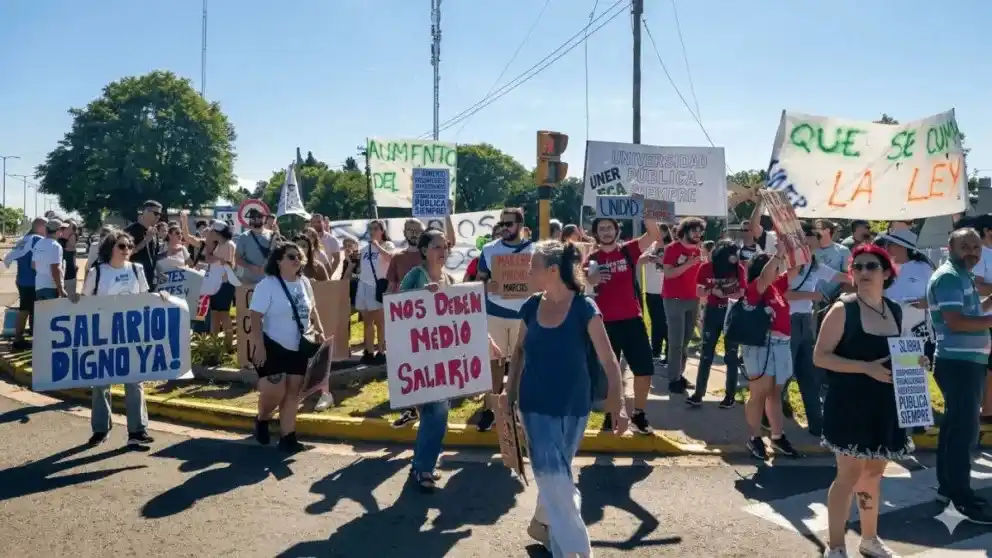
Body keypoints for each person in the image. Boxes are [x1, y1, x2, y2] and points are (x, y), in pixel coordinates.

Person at [507, 239, 626, 555]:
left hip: (574, 407)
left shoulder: (584, 308)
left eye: (534, 267)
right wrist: (508, 396)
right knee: (556, 479)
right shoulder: (531, 306)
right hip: (534, 407)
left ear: (553, 270)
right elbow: (518, 352)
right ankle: (574, 551)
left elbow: (608, 358)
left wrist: (620, 403)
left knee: (557, 474)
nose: (529, 273)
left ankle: (541, 524)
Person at [814, 243, 916, 557]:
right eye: (857, 267)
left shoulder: (895, 309)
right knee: (848, 476)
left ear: (887, 272)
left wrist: (914, 364)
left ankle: (869, 539)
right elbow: (820, 357)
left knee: (873, 474)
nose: (862, 272)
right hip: (849, 405)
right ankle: (836, 546)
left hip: (885, 406)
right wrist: (864, 368)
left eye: (870, 266)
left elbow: (898, 356)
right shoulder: (843, 309)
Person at [401, 229, 502, 490]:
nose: (442, 252)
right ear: (424, 250)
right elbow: (397, 311)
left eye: (445, 247)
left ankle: (422, 465)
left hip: (443, 360)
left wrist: (487, 340)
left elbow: (462, 316)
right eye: (436, 247)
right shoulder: (415, 276)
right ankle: (423, 468)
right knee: (436, 413)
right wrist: (422, 295)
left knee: (436, 415)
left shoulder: (449, 277)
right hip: (420, 359)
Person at [926, 227, 992, 524]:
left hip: (965, 363)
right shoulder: (950, 276)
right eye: (966, 246)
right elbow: (956, 322)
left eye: (977, 247)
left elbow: (973, 314)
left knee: (955, 431)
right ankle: (960, 497)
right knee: (963, 434)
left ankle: (948, 489)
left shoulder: (960, 275)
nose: (973, 252)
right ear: (950, 246)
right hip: (959, 363)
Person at [249, 241, 326, 453]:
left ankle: (288, 437)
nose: (297, 260)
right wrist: (258, 346)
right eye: (291, 257)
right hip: (273, 344)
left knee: (293, 392)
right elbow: (255, 317)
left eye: (299, 256)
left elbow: (312, 310)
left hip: (299, 346)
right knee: (275, 391)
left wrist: (319, 329)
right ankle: (262, 419)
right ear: (278, 261)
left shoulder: (304, 283)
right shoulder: (268, 285)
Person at [586, 215, 660, 433]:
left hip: (632, 319)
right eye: (602, 229)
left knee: (644, 369)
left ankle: (639, 414)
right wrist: (593, 280)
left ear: (617, 231)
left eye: (610, 228)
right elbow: (585, 283)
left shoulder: (629, 250)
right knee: (611, 372)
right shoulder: (591, 258)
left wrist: (648, 213)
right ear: (596, 233)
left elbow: (654, 235)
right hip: (604, 323)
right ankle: (612, 415)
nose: (606, 232)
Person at [81, 230, 156, 447]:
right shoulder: (98, 272)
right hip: (104, 334)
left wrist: (159, 298)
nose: (126, 251)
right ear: (110, 248)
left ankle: (137, 431)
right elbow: (86, 302)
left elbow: (144, 298)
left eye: (129, 246)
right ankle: (100, 429)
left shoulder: (137, 269)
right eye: (121, 246)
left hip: (131, 334)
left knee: (134, 382)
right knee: (101, 383)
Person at [781, 222, 850, 437]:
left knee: (808, 374)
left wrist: (866, 274)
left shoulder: (815, 264)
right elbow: (782, 294)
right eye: (813, 235)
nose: (818, 239)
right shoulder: (790, 263)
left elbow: (841, 277)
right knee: (785, 372)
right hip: (787, 321)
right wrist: (813, 296)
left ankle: (816, 424)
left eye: (819, 235)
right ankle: (772, 413)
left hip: (806, 322)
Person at [742, 240, 803, 460]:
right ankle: (754, 437)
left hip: (781, 345)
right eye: (775, 267)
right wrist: (778, 254)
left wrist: (796, 246)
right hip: (762, 346)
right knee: (758, 393)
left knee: (775, 393)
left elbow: (797, 268)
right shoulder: (755, 289)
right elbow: (766, 277)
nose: (779, 270)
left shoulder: (777, 286)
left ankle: (777, 436)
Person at [476, 208, 535, 432]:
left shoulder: (534, 249)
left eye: (509, 224)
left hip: (525, 315)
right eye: (501, 224)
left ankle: (517, 409)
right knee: (495, 364)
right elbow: (480, 281)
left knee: (521, 364)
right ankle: (490, 409)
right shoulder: (489, 250)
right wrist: (487, 286)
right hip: (495, 313)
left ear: (520, 225)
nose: (504, 228)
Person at [690, 239, 746, 408]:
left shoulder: (739, 269)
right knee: (706, 354)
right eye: (731, 254)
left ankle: (730, 396)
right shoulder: (706, 267)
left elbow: (742, 292)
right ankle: (698, 394)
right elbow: (698, 290)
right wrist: (711, 291)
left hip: (731, 314)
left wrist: (726, 294)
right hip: (712, 312)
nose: (735, 258)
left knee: (731, 356)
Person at [662, 216, 706, 394]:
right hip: (674, 300)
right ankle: (673, 380)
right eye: (694, 230)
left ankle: (679, 375)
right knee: (675, 342)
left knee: (686, 341)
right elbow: (669, 273)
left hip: (693, 299)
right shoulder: (672, 249)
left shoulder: (699, 250)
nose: (698, 234)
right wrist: (688, 264)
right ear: (685, 231)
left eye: (700, 231)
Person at [356, 219, 394, 365]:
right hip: (363, 286)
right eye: (370, 229)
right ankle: (369, 350)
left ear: (382, 231)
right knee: (367, 321)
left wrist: (377, 246)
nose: (372, 232)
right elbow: (361, 268)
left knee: (379, 321)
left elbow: (390, 258)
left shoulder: (387, 245)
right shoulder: (365, 249)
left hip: (376, 286)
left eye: (376, 229)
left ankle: (381, 351)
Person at [4, 217, 46, 350]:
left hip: (22, 279)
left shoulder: (24, 239)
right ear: (40, 227)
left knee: (28, 309)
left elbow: (12, 257)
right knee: (26, 310)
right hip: (32, 281)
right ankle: (19, 338)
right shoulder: (37, 240)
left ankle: (25, 336)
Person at [205, 221, 238, 353]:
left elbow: (228, 263)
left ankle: (228, 347)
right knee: (214, 315)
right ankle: (214, 346)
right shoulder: (218, 245)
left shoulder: (229, 244)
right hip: (216, 283)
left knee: (224, 314)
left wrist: (217, 260)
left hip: (225, 283)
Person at [640, 230, 669, 365]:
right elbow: (640, 260)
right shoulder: (651, 246)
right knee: (656, 323)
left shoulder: (670, 247)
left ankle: (670, 353)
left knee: (665, 324)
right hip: (651, 290)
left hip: (665, 291)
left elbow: (673, 267)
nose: (658, 235)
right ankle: (655, 351)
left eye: (661, 232)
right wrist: (649, 258)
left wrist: (660, 260)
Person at [125, 200, 163, 291]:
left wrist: (158, 271)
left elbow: (154, 256)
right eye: (156, 213)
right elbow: (126, 254)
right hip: (133, 278)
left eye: (160, 214)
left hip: (150, 279)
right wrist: (145, 241)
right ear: (146, 212)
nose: (158, 217)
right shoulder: (130, 231)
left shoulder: (154, 232)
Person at [235, 208, 274, 285]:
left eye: (259, 216)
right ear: (250, 219)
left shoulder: (273, 235)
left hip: (269, 280)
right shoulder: (243, 237)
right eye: (253, 217)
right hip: (249, 280)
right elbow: (237, 258)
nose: (256, 219)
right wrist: (250, 266)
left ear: (264, 218)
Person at [386, 219, 426, 293]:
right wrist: (386, 302)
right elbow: (391, 286)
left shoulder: (430, 255)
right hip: (405, 303)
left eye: (417, 230)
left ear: (422, 233)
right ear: (404, 233)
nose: (414, 233)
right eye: (410, 230)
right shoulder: (397, 258)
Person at [33, 218, 67, 302]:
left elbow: (33, 265)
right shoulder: (56, 246)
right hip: (51, 286)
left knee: (43, 314)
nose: (62, 231)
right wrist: (61, 288)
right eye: (62, 229)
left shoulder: (38, 243)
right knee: (52, 313)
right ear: (58, 230)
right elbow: (55, 269)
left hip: (39, 285)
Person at [311, 213, 342, 278]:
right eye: (313, 222)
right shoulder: (307, 239)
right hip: (310, 277)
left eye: (319, 222)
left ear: (324, 222)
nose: (316, 224)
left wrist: (329, 274)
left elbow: (337, 259)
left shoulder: (332, 239)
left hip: (325, 277)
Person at [59, 221, 79, 297]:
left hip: (69, 277)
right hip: (60, 278)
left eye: (68, 227)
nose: (64, 229)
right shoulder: (59, 242)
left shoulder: (72, 239)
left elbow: (70, 249)